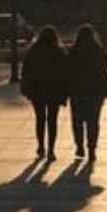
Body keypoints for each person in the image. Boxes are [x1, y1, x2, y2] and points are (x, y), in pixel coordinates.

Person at [20, 26, 68, 160]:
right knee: (52, 120)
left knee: (40, 119)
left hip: (37, 90)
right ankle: (51, 149)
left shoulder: (33, 51)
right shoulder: (58, 51)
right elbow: (65, 72)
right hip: (54, 90)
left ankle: (41, 146)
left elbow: (25, 70)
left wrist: (27, 87)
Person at [68, 24, 107, 160]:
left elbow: (67, 69)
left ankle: (80, 146)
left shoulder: (73, 51)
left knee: (78, 121)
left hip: (77, 91)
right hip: (95, 91)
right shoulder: (98, 51)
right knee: (93, 121)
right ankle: (92, 149)